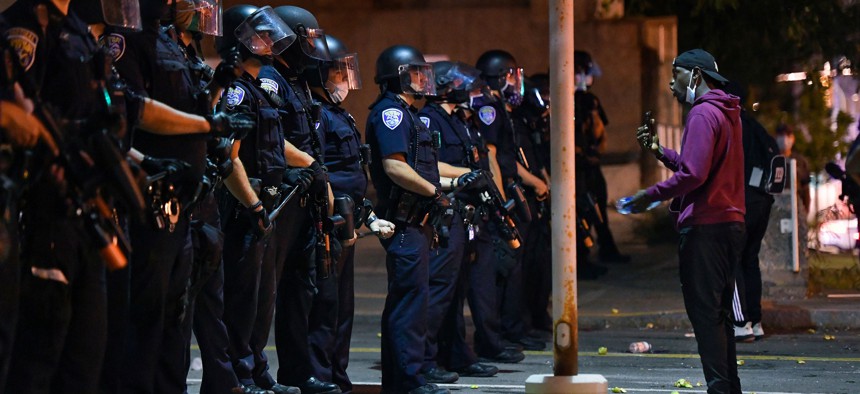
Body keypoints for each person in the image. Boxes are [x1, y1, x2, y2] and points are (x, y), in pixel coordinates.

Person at [623, 48, 746, 394]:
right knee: (718, 316)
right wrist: (661, 152)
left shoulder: (702, 114)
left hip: (706, 228)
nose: (670, 83)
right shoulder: (727, 111)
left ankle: (720, 388)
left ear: (694, 75)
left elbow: (693, 174)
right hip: (730, 225)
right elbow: (701, 167)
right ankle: (727, 388)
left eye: (675, 74)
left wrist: (650, 195)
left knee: (706, 317)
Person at [214, 5, 303, 394]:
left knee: (262, 298)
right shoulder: (237, 91)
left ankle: (258, 370)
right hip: (244, 208)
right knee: (241, 298)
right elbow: (228, 156)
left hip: (267, 205)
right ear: (238, 39)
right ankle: (239, 374)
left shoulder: (258, 89)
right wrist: (252, 206)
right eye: (259, 35)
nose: (268, 42)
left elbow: (271, 144)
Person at [305, 34, 396, 394]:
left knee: (343, 308)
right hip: (327, 221)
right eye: (337, 71)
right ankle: (319, 375)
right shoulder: (318, 115)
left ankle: (338, 378)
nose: (344, 78)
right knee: (324, 306)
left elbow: (353, 173)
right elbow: (321, 170)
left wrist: (367, 215)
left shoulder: (338, 113)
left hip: (347, 219)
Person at [366, 44, 450, 394]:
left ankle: (405, 379)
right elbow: (396, 167)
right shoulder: (392, 113)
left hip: (419, 223)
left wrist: (450, 185)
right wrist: (434, 192)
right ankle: (406, 382)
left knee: (415, 304)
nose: (422, 81)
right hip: (404, 223)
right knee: (408, 306)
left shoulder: (409, 113)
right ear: (397, 77)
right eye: (415, 74)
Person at [267, 6, 341, 394]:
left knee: (300, 288)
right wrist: (313, 165)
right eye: (306, 39)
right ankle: (251, 371)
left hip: (305, 199)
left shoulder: (295, 81)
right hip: (283, 196)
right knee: (266, 291)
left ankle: (296, 373)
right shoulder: (269, 78)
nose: (311, 48)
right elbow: (272, 139)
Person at [418, 60, 501, 382]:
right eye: (461, 84)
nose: (469, 90)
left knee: (457, 291)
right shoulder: (430, 118)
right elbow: (431, 164)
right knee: (439, 291)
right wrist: (469, 175)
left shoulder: (458, 119)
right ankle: (426, 359)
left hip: (466, 213)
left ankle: (456, 354)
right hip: (445, 211)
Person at [474, 49, 544, 352]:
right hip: (501, 198)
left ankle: (515, 328)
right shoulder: (488, 108)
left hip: (512, 194)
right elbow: (494, 158)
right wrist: (502, 203)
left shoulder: (503, 107)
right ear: (498, 77)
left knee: (516, 268)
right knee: (502, 270)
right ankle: (499, 334)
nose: (516, 82)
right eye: (510, 75)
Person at [724, 82, 780, 343]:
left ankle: (740, 322)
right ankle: (756, 321)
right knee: (750, 260)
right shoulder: (757, 128)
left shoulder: (733, 126)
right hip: (762, 201)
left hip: (741, 201)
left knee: (731, 260)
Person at [574, 50, 630, 265]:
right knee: (581, 210)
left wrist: (596, 153)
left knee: (599, 206)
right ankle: (582, 258)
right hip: (576, 168)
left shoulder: (590, 101)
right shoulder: (563, 99)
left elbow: (600, 132)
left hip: (591, 165)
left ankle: (606, 249)